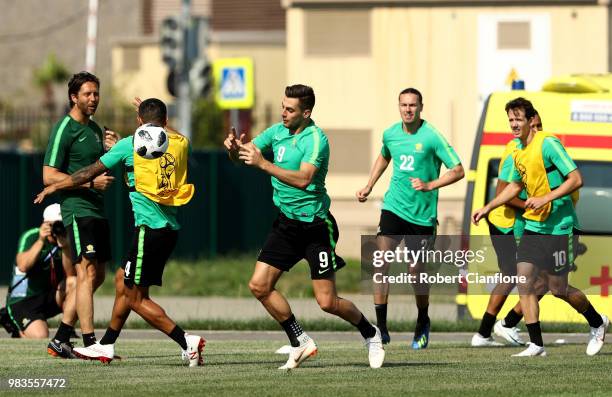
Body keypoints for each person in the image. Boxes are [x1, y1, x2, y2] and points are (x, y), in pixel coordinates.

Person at [35, 98, 204, 367]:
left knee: (136, 299)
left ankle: (187, 342)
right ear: (167, 122)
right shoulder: (181, 144)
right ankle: (107, 344)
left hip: (149, 231)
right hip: (168, 230)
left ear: (139, 122)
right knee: (120, 282)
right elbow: (164, 141)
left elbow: (90, 171)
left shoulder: (128, 145)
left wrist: (57, 186)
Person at [225, 84, 385, 369]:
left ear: (306, 112)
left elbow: (303, 179)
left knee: (327, 302)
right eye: (282, 107)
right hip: (286, 224)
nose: (283, 113)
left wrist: (263, 164)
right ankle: (300, 341)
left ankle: (370, 333)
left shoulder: (316, 140)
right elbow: (245, 155)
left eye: (290, 109)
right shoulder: (276, 132)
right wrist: (233, 149)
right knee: (259, 286)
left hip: (315, 227)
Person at [472, 97, 608, 356]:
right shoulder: (518, 150)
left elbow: (576, 179)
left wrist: (546, 197)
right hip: (535, 226)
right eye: (510, 120)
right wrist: (488, 207)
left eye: (518, 119)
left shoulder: (548, 143)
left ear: (531, 121)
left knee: (557, 288)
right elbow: (513, 186)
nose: (513, 124)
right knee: (524, 279)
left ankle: (597, 321)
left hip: (561, 226)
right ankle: (536, 344)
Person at [356, 88, 464, 348]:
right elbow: (384, 157)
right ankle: (380, 328)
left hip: (422, 216)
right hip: (393, 207)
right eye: (404, 105)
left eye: (412, 105)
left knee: (416, 271)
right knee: (380, 263)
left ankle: (422, 320)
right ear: (399, 106)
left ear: (421, 107)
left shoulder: (432, 137)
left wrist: (430, 185)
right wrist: (370, 185)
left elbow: (458, 170)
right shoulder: (391, 133)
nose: (408, 109)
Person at [42, 71, 118, 356]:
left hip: (97, 209)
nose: (93, 98)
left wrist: (111, 150)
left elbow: (100, 172)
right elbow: (48, 175)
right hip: (76, 209)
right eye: (87, 94)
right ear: (74, 97)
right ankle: (89, 343)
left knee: (97, 275)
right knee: (85, 272)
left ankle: (61, 337)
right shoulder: (64, 128)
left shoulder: (96, 130)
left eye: (96, 93)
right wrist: (89, 183)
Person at [4, 204, 76, 340]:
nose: (58, 228)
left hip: (50, 296)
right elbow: (23, 266)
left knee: (75, 283)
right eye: (55, 225)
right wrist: (40, 241)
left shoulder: (66, 239)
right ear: (45, 224)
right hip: (24, 299)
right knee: (41, 336)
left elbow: (71, 275)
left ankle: (67, 330)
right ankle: (17, 328)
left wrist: (65, 247)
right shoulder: (32, 236)